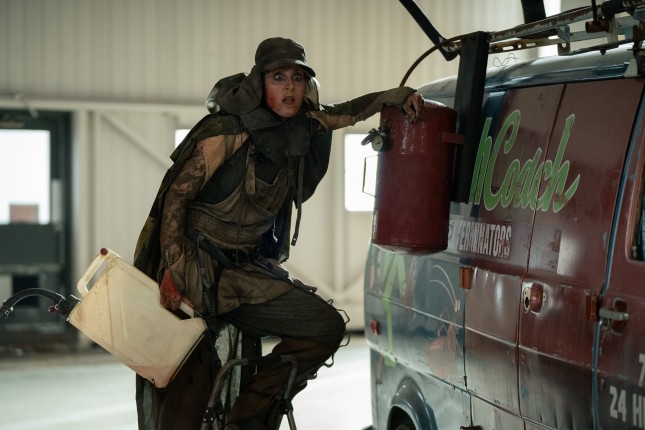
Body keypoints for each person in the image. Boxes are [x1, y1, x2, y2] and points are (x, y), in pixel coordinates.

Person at [133, 36, 424, 430]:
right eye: (278, 78)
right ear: (259, 82)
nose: (289, 88)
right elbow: (176, 199)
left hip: (244, 272)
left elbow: (349, 112)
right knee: (187, 389)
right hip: (193, 266)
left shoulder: (303, 126)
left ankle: (247, 420)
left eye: (297, 78)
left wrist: (396, 96)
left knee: (325, 327)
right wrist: (173, 268)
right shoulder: (227, 131)